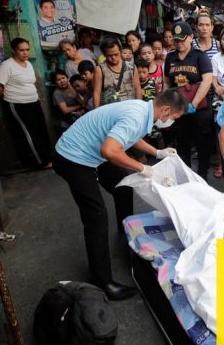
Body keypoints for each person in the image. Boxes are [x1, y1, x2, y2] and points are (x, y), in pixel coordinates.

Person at [52, 89, 186, 300]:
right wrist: (141, 168)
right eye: (173, 118)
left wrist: (157, 153)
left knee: (122, 186)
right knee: (96, 217)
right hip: (73, 158)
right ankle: (103, 281)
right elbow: (110, 151)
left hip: (91, 151)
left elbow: (131, 138)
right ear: (166, 109)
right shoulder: (137, 115)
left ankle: (126, 233)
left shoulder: (144, 110)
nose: (171, 122)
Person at [164, 21, 216, 180]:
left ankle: (202, 176)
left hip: (198, 108)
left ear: (191, 37)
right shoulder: (171, 57)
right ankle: (186, 176)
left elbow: (207, 80)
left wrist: (193, 104)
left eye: (183, 39)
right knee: (182, 144)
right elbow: (167, 81)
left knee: (202, 145)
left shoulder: (200, 56)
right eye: (176, 40)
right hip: (178, 108)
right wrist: (166, 102)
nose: (179, 43)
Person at [0, 37, 52, 170]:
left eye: (27, 50)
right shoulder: (7, 65)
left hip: (33, 102)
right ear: (14, 50)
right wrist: (6, 95)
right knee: (29, 133)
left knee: (41, 130)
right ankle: (42, 162)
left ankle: (48, 157)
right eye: (21, 50)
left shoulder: (29, 64)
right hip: (17, 105)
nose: (25, 53)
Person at [93, 37, 140, 107]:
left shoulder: (132, 67)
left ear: (120, 51)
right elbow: (97, 93)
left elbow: (137, 89)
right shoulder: (100, 70)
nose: (113, 58)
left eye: (116, 54)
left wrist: (139, 107)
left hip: (130, 108)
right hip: (111, 111)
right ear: (104, 54)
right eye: (110, 55)